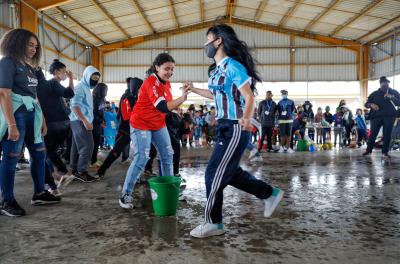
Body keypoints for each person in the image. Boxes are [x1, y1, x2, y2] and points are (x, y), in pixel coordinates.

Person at [186, 24, 283, 238]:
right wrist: (193, 89)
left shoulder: (232, 66)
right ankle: (269, 194)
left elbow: (249, 96)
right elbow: (215, 95)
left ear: (218, 41)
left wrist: (246, 119)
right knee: (229, 173)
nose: (206, 45)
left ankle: (213, 222)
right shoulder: (218, 70)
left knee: (213, 173)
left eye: (208, 40)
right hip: (223, 127)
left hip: (234, 126)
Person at [0, 29, 61, 217]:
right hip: (16, 115)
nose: (34, 49)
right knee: (11, 157)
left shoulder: (29, 68)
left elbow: (34, 95)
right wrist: (11, 124)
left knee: (40, 154)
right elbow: (4, 93)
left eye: (36, 45)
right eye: (30, 44)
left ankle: (39, 193)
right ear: (16, 42)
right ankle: (7, 201)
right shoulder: (7, 62)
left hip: (32, 114)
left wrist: (42, 119)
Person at [119, 53, 189, 209]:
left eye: (172, 69)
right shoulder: (151, 82)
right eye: (166, 69)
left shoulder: (166, 83)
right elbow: (162, 106)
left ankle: (170, 189)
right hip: (141, 123)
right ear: (157, 68)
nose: (170, 72)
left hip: (158, 123)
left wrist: (177, 106)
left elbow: (168, 105)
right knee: (142, 157)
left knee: (167, 154)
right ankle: (125, 194)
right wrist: (182, 98)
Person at [36, 59, 76, 193]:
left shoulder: (46, 86)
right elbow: (70, 93)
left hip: (52, 124)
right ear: (56, 72)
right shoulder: (52, 83)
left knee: (47, 153)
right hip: (61, 124)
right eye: (64, 72)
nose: (65, 74)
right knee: (50, 152)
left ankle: (60, 175)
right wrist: (71, 79)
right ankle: (58, 178)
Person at [97, 78, 143, 177]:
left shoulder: (138, 97)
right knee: (116, 152)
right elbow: (127, 117)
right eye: (140, 88)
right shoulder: (127, 98)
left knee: (143, 153)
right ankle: (101, 171)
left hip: (136, 129)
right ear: (135, 87)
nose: (142, 90)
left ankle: (141, 174)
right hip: (125, 130)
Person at [69, 65, 101, 182]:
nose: (95, 79)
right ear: (87, 76)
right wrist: (85, 121)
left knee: (77, 146)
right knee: (88, 146)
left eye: (97, 78)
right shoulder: (80, 87)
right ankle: (82, 171)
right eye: (93, 77)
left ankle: (74, 169)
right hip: (80, 121)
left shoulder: (86, 88)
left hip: (78, 121)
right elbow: (75, 106)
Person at [363, 76, 400, 159]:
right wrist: (371, 105)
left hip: (389, 116)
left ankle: (385, 152)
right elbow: (366, 104)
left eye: (386, 83)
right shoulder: (374, 94)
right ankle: (369, 150)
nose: (385, 85)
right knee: (373, 134)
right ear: (380, 84)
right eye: (383, 83)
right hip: (376, 117)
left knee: (387, 134)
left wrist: (392, 98)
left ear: (388, 83)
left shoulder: (394, 92)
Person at [91, 82, 108, 167]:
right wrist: (100, 121)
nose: (106, 91)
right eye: (105, 90)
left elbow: (102, 111)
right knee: (94, 142)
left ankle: (93, 159)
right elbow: (93, 113)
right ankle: (92, 161)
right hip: (94, 124)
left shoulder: (102, 99)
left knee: (96, 142)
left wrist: (103, 120)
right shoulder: (95, 99)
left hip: (98, 123)